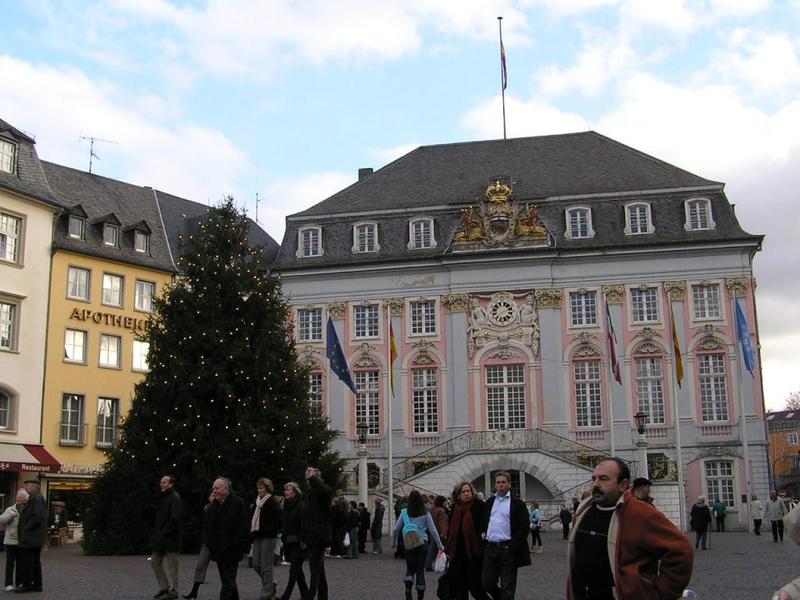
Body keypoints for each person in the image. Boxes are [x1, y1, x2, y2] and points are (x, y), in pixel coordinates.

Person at [568, 457, 693, 600]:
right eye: (594, 478)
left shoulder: (642, 513)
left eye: (603, 479)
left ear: (623, 485)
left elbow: (681, 550)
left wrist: (661, 592)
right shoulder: (584, 510)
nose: (596, 484)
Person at [481, 471, 531, 600]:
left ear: (509, 484)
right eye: (498, 482)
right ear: (495, 485)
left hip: (507, 549)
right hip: (491, 547)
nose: (500, 485)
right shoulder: (490, 502)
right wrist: (483, 532)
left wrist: (512, 546)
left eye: (503, 482)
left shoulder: (518, 503)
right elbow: (484, 520)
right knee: (487, 583)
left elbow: (524, 526)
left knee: (507, 586)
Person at [391, 490, 443, 600]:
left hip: (409, 544)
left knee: (410, 568)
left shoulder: (404, 512)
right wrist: (439, 545)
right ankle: (420, 595)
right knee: (420, 570)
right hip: (422, 543)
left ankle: (408, 585)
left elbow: (396, 529)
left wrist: (393, 542)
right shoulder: (425, 512)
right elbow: (433, 530)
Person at [205, 477, 249, 600]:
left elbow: (243, 527)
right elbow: (208, 526)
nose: (214, 490)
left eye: (217, 488)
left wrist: (234, 544)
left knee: (227, 581)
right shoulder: (213, 506)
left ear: (226, 489)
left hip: (232, 550)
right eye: (213, 488)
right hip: (218, 550)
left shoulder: (238, 504)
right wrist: (211, 544)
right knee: (227, 579)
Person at [446, 481, 488, 600]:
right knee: (460, 587)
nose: (466, 494)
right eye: (463, 492)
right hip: (457, 553)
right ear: (458, 494)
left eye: (468, 491)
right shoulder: (455, 507)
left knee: (476, 587)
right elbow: (451, 530)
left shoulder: (479, 505)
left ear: (472, 491)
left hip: (474, 553)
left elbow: (484, 524)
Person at [301, 466, 332, 600]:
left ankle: (311, 596)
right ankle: (323, 595)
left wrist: (312, 478)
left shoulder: (323, 492)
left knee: (314, 567)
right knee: (319, 568)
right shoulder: (312, 495)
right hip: (312, 534)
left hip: (319, 535)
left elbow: (325, 490)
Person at [150, 474, 183, 600]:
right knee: (154, 562)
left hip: (171, 538)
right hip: (161, 537)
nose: (161, 484)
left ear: (171, 484)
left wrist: (164, 532)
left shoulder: (174, 497)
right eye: (161, 482)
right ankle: (164, 587)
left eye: (164, 482)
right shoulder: (163, 497)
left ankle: (174, 591)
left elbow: (175, 518)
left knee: (172, 566)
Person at [250, 478, 281, 600]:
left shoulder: (272, 502)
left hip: (268, 536)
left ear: (267, 489)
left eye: (261, 488)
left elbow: (278, 520)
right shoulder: (257, 502)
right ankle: (271, 583)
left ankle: (266, 593)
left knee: (266, 566)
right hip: (257, 536)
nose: (259, 490)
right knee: (256, 564)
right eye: (258, 488)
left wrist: (269, 529)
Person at [15, 477, 47, 594]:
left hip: (31, 536)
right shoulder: (36, 497)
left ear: (34, 486)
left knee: (28, 562)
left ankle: (27, 585)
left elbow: (37, 517)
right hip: (34, 536)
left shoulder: (36, 498)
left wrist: (26, 528)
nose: (26, 487)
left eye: (28, 485)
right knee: (34, 562)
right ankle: (37, 585)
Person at [184, 490, 215, 600]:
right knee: (200, 565)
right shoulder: (207, 509)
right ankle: (194, 590)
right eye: (212, 495)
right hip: (207, 542)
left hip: (218, 542)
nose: (214, 497)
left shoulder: (222, 508)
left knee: (225, 570)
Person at [279, 482, 307, 600]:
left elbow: (304, 524)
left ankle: (286, 596)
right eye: (285, 490)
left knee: (294, 570)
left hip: (299, 542)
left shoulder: (301, 505)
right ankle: (305, 594)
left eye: (288, 489)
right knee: (298, 571)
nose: (286, 492)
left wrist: (303, 539)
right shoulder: (285, 506)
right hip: (289, 541)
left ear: (295, 492)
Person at [0, 489, 27, 591]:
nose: (20, 499)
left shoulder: (27, 509)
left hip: (22, 540)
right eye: (18, 497)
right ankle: (8, 584)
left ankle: (19, 583)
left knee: (20, 563)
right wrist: (11, 515)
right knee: (10, 563)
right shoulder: (11, 509)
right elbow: (1, 519)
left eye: (22, 497)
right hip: (11, 540)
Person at [425, 496, 448, 571]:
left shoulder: (432, 509)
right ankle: (444, 565)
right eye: (445, 502)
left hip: (433, 532)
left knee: (432, 549)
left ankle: (428, 564)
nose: (446, 503)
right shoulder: (441, 511)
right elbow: (443, 523)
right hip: (440, 533)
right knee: (445, 549)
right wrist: (444, 534)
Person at [330, 489, 347, 557]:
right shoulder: (342, 501)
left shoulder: (341, 502)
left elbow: (339, 512)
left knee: (338, 538)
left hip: (339, 523)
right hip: (340, 522)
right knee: (337, 538)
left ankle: (340, 552)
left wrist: (334, 505)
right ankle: (337, 552)